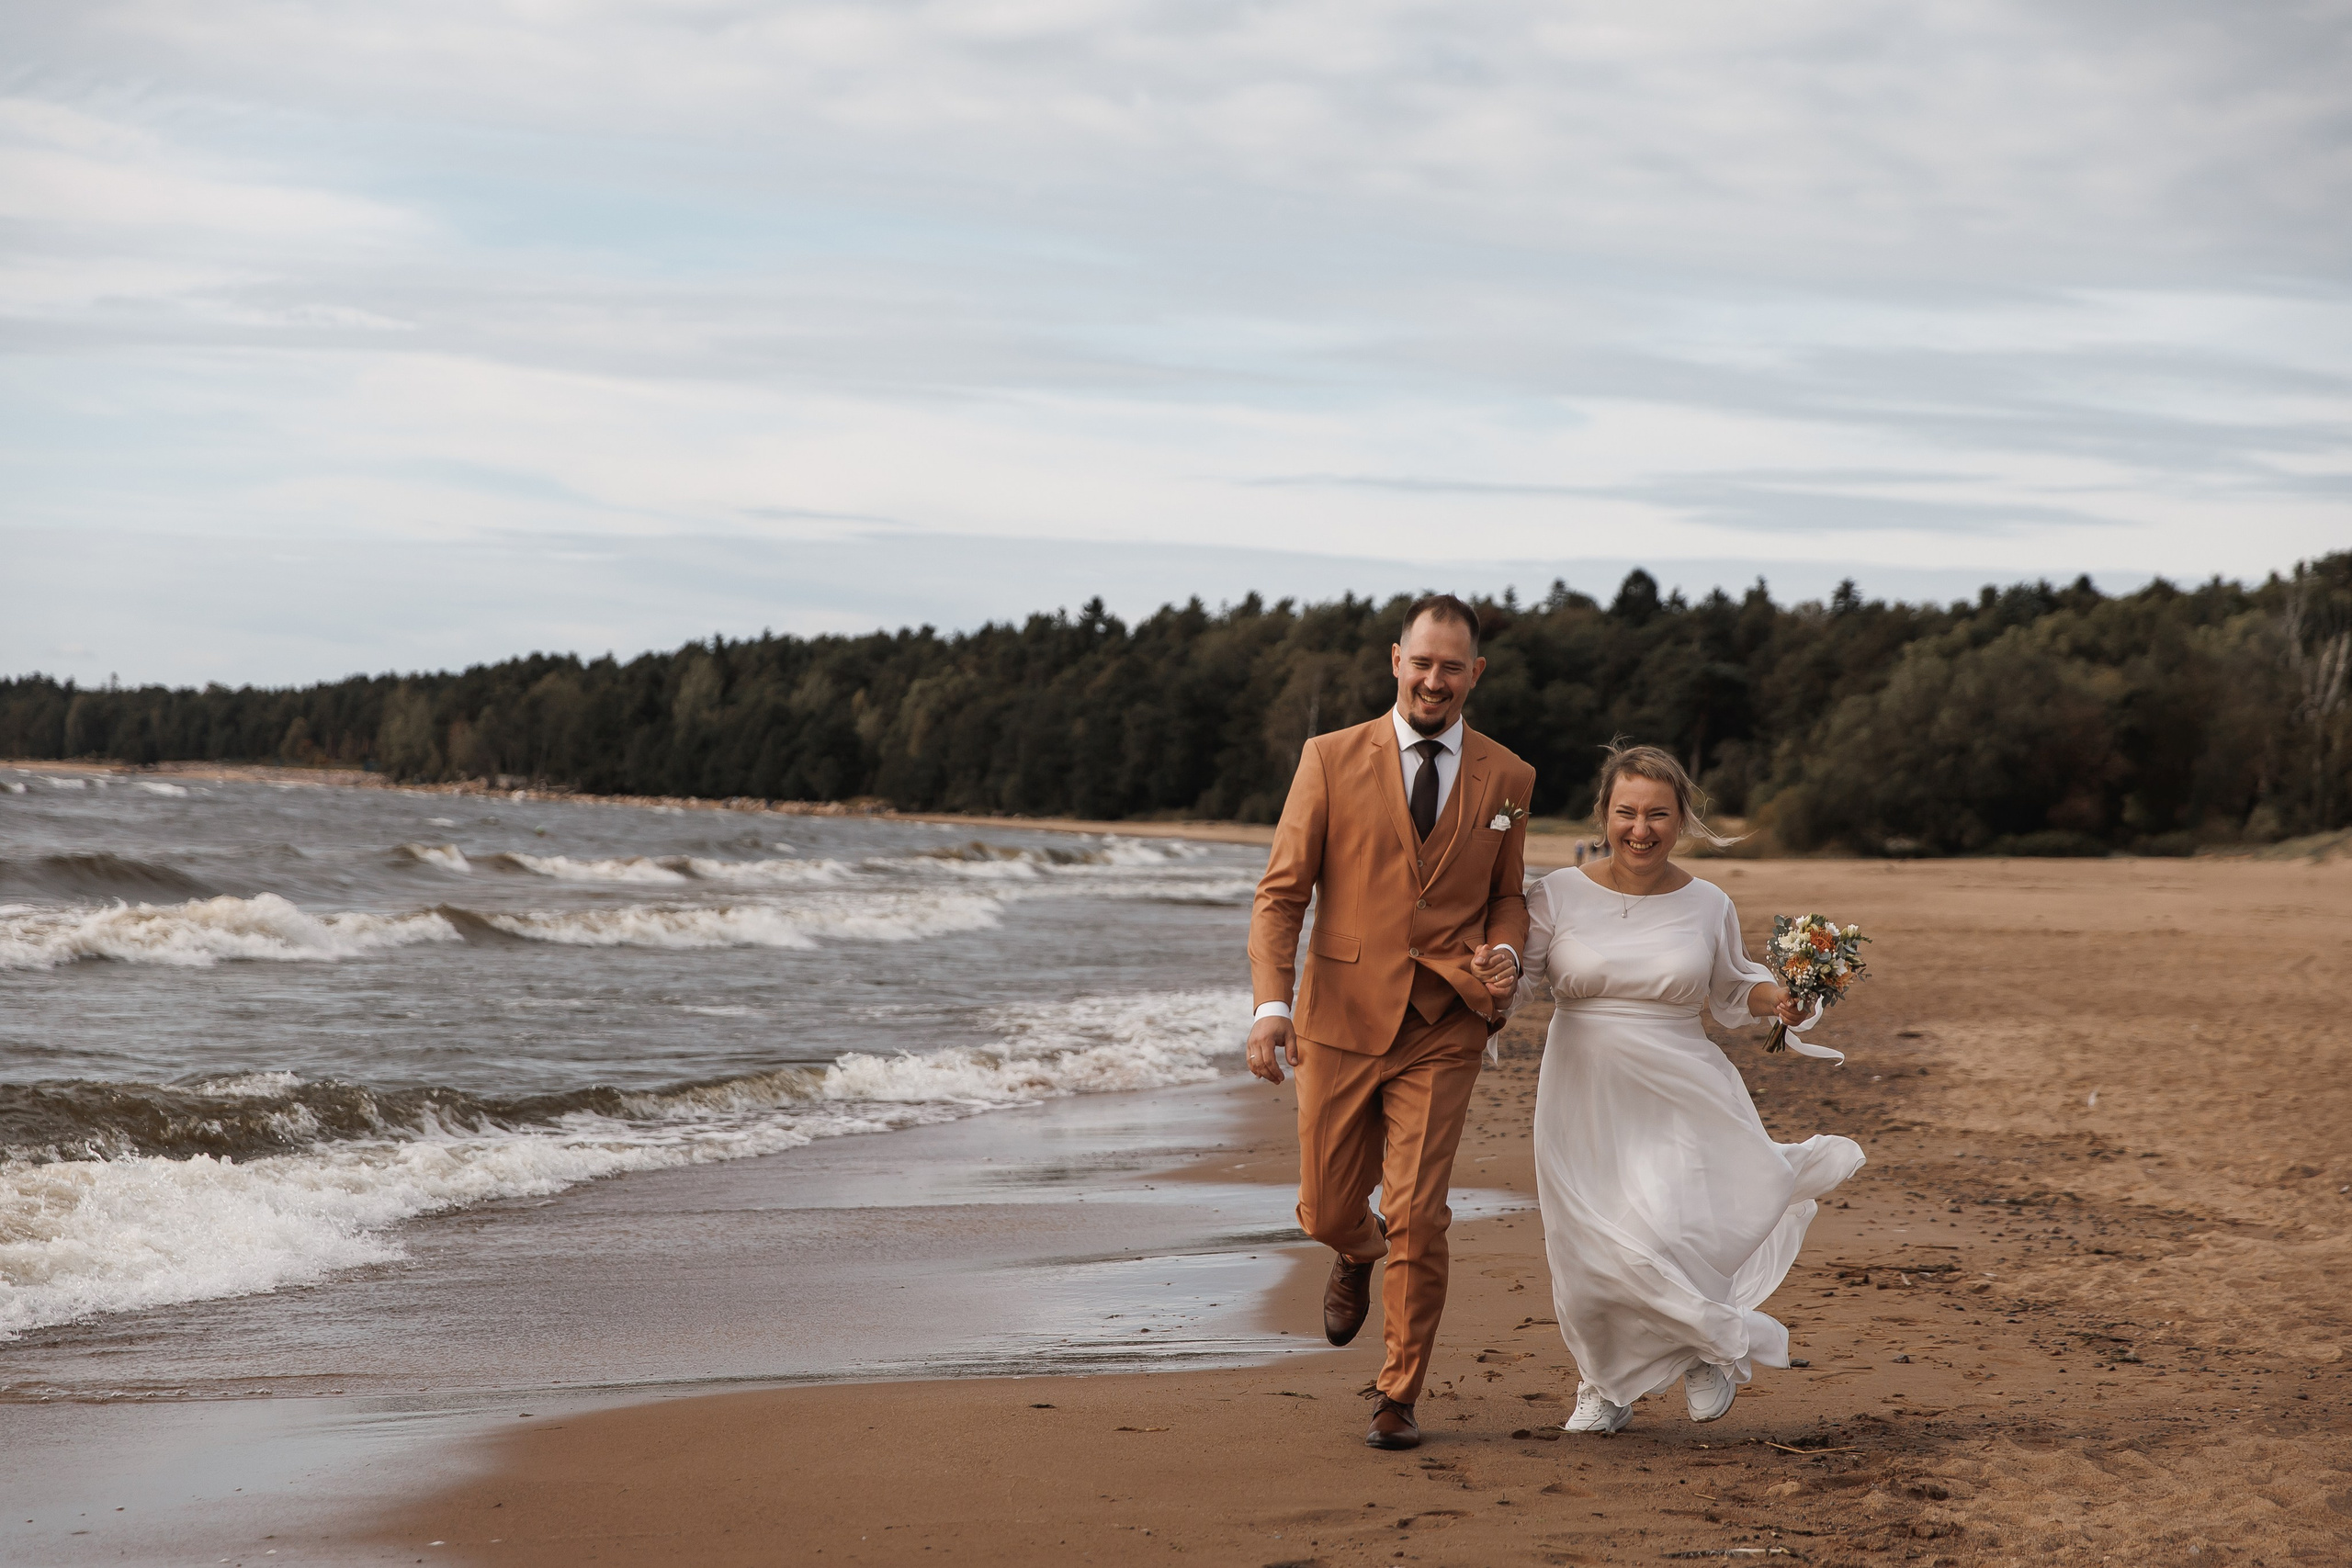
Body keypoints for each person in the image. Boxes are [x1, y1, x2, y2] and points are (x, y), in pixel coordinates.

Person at [1481, 743, 1863, 1434]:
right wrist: (1491, 978)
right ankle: (1605, 1382)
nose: (1641, 827)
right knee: (1588, 1249)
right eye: (1626, 811)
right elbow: (1522, 980)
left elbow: (1733, 985)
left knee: (1668, 1224)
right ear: (1604, 813)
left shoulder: (1707, 901)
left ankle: (1702, 1346)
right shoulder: (1555, 894)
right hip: (1582, 1092)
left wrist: (1782, 997)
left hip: (1682, 1084)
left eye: (1658, 813)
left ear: (1681, 817)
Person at [1246, 592, 1536, 1451]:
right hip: (1336, 1016)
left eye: (1454, 665)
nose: (1435, 679)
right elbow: (1282, 894)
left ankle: (1398, 1392)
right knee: (1328, 1209)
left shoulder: (1508, 778)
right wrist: (1270, 1007)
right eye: (1423, 661)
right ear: (1396, 661)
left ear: (1474, 673)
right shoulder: (1329, 758)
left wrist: (1507, 957)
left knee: (1419, 1209)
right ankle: (1353, 1250)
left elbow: (1509, 894)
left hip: (1446, 1019)